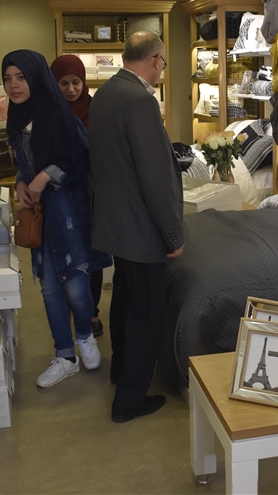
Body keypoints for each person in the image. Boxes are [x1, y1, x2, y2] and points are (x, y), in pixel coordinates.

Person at [88, 31, 184, 423]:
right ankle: (129, 400)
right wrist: (173, 233)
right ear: (157, 59)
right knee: (146, 314)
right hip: (141, 228)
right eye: (163, 63)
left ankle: (120, 371)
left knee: (124, 302)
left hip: (115, 223)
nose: (161, 70)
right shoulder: (141, 100)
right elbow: (155, 177)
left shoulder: (105, 93)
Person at [2, 50, 111, 388]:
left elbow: (82, 160)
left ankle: (84, 336)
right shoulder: (17, 117)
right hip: (41, 216)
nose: (14, 85)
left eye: (21, 77)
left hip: (69, 214)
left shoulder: (59, 115)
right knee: (50, 289)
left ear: (36, 78)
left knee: (77, 287)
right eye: (8, 79)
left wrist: (46, 176)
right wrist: (21, 182)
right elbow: (24, 164)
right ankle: (65, 356)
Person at [51, 54, 105, 338]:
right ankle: (70, 307)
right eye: (64, 83)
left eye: (76, 82)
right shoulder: (49, 112)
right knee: (66, 253)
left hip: (91, 193)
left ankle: (92, 311)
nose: (71, 89)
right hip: (59, 194)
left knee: (92, 254)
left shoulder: (97, 110)